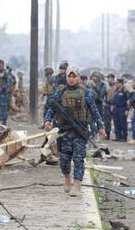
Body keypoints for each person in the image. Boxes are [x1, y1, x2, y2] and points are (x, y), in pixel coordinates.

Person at [44, 67, 106, 197]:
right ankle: (67, 177)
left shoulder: (86, 93)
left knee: (78, 159)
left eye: (74, 76)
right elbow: (52, 107)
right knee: (64, 160)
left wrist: (101, 126)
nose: (71, 79)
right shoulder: (60, 92)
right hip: (64, 132)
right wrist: (48, 120)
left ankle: (77, 185)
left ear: (78, 78)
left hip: (80, 131)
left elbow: (94, 111)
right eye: (69, 76)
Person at [112, 76, 130, 142]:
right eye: (116, 83)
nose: (116, 84)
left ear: (121, 83)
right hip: (116, 109)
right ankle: (118, 137)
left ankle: (124, 137)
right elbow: (114, 99)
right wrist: (113, 105)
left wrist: (127, 110)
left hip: (122, 109)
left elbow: (128, 101)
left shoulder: (125, 91)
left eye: (118, 83)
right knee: (116, 123)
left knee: (123, 124)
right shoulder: (116, 90)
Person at [102, 73, 116, 140]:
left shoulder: (116, 85)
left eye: (109, 78)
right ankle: (107, 135)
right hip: (108, 105)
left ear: (112, 78)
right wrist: (103, 102)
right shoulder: (106, 86)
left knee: (116, 121)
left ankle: (118, 136)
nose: (108, 79)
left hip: (115, 105)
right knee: (107, 121)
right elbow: (102, 95)